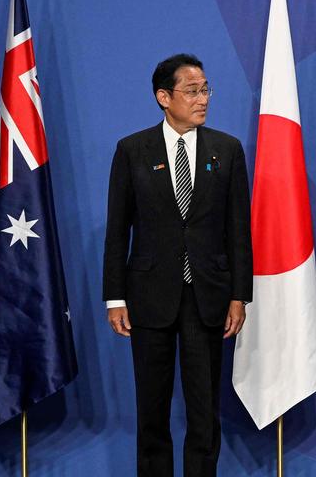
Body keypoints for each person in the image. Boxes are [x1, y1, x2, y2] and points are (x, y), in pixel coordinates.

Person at [102, 54, 251, 477]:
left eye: (205, 89)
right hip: (149, 297)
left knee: (205, 412)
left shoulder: (227, 149)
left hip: (209, 298)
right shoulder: (132, 150)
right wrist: (115, 297)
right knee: (152, 411)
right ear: (163, 97)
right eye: (192, 91)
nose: (202, 99)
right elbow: (118, 230)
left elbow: (238, 229)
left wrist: (239, 295)